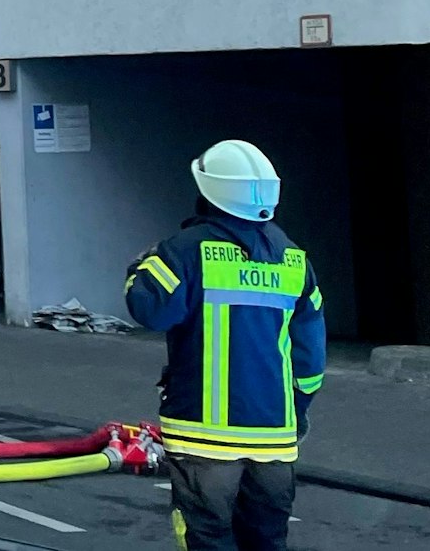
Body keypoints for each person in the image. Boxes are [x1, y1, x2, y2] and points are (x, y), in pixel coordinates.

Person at [125, 140, 324, 551]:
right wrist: (298, 408)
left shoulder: (186, 250)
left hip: (202, 435)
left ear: (207, 191)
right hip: (273, 434)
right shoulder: (293, 259)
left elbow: (150, 309)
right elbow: (310, 355)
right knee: (267, 540)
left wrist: (137, 269)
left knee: (207, 537)